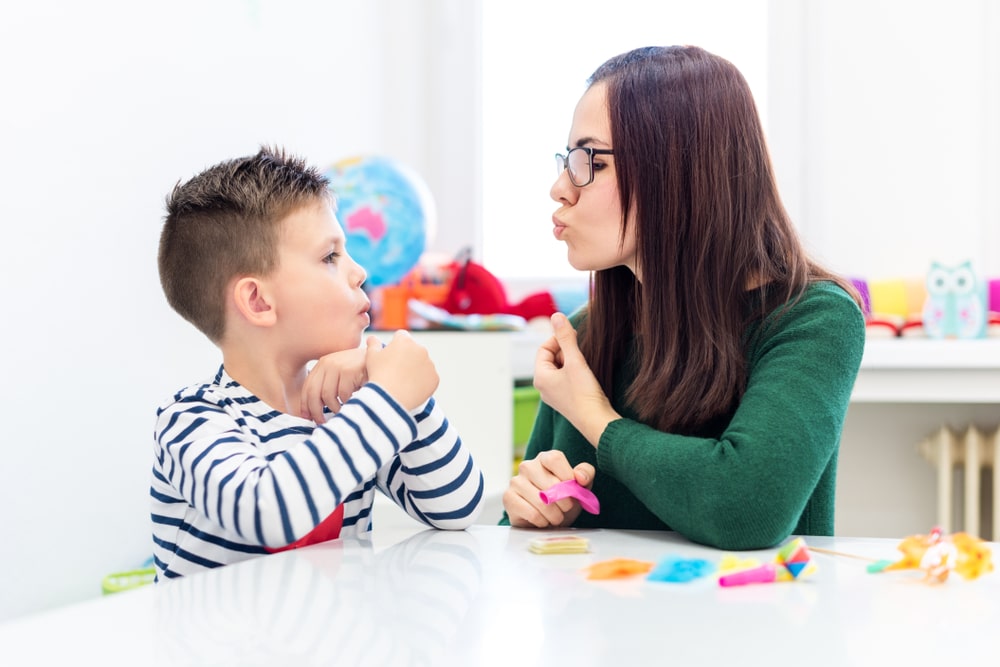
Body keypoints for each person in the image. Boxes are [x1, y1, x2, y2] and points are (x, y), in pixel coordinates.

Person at [500, 46, 866, 550]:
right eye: (568, 161)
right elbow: (519, 536)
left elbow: (746, 508)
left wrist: (593, 416)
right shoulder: (584, 333)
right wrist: (530, 513)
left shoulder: (813, 319)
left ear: (678, 170)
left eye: (590, 161)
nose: (560, 188)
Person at [152, 146, 484, 580]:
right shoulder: (192, 419)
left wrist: (410, 401)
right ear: (258, 301)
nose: (360, 272)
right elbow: (267, 511)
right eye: (330, 257)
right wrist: (388, 398)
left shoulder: (348, 409)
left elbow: (457, 508)